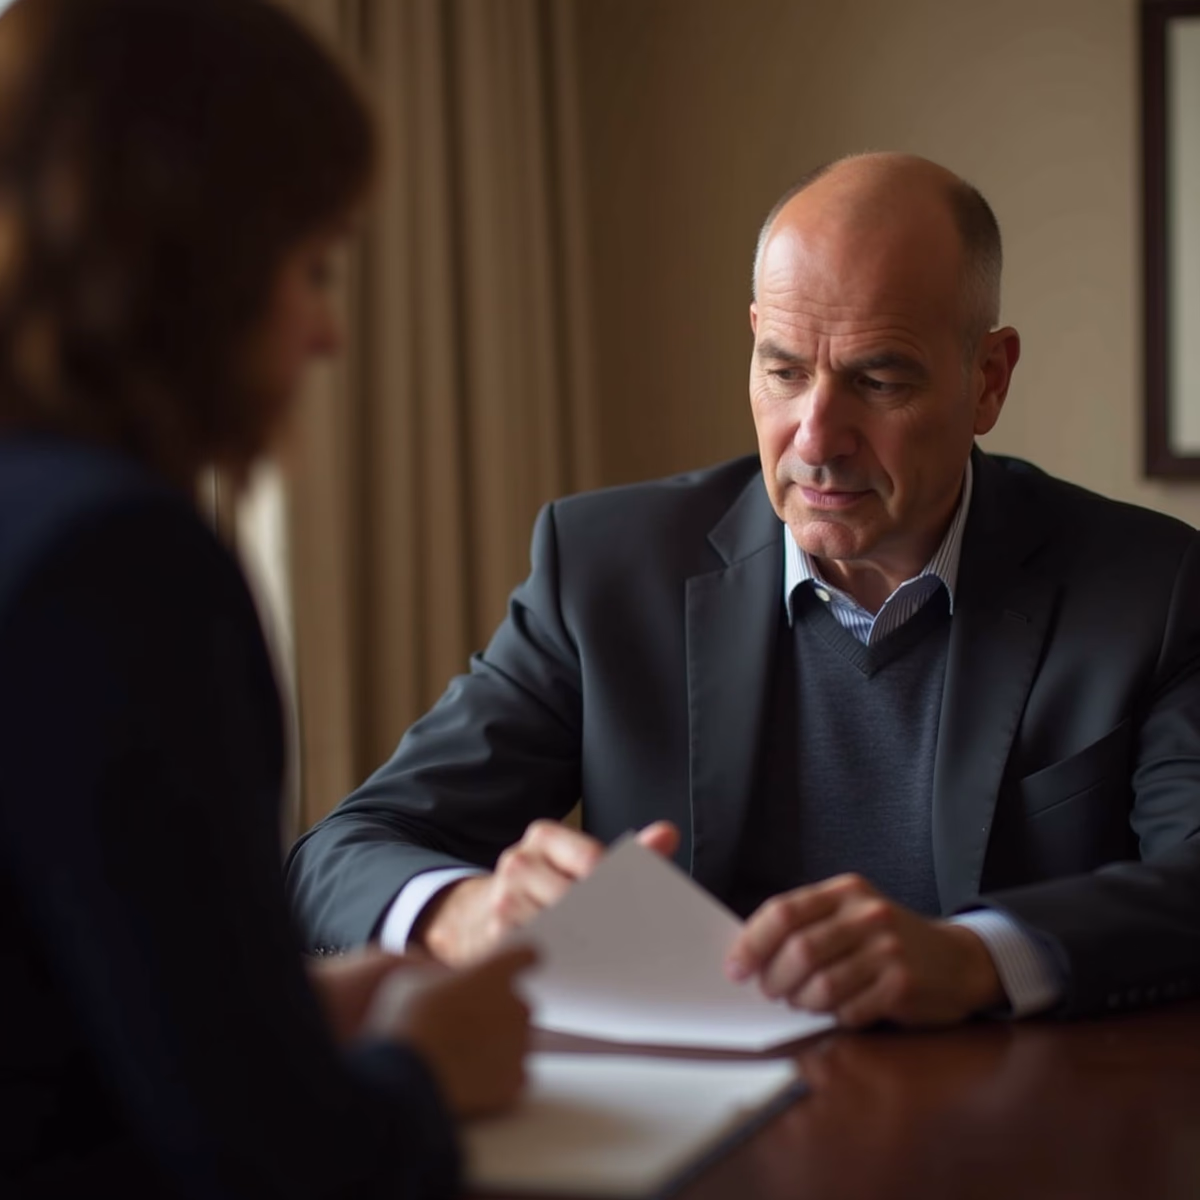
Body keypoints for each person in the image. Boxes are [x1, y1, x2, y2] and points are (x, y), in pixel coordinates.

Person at [286, 151, 1200, 1027]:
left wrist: (975, 958)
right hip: (683, 1135)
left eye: (878, 380)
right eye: (785, 371)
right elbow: (340, 851)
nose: (816, 438)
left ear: (987, 380)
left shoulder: (1147, 591)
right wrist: (465, 911)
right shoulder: (607, 570)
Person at [0, 1, 534, 1196]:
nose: (331, 333)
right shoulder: (119, 564)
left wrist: (278, 1022)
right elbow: (265, 1166)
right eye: (313, 265)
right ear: (199, 262)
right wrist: (424, 1067)